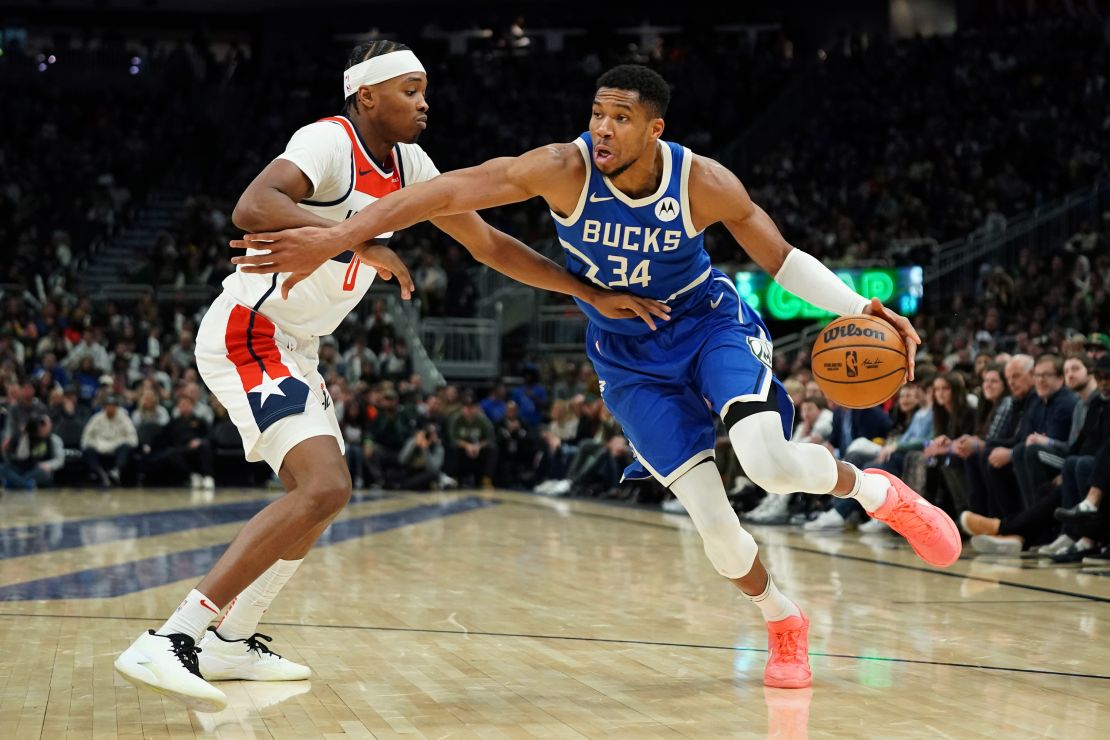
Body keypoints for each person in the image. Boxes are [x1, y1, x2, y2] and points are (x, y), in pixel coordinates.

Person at [234, 64, 962, 689]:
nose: (603, 129)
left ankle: (877, 490)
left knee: (769, 464)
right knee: (717, 532)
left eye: (621, 117)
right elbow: (448, 193)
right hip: (627, 355)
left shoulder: (702, 181)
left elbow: (781, 259)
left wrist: (868, 304)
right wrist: (337, 235)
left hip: (708, 324)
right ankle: (781, 618)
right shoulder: (562, 168)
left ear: (655, 129)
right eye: (596, 113)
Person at [113, 43, 668, 712]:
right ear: (367, 96)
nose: (424, 102)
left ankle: (232, 638)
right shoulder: (328, 142)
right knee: (324, 486)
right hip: (248, 330)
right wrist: (360, 239)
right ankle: (174, 637)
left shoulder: (412, 165)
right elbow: (253, 205)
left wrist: (588, 293)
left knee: (321, 500)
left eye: (425, 89)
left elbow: (487, 244)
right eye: (410, 90)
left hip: (299, 343)